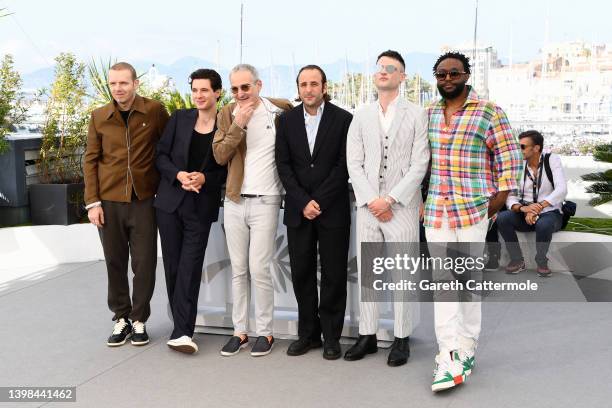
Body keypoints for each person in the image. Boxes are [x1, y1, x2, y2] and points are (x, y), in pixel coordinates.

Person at [425, 52, 522, 391]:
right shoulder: (430, 113)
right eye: (441, 74)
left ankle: (467, 345)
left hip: (472, 211)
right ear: (435, 78)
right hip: (437, 210)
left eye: (454, 73)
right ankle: (448, 353)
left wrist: (493, 205)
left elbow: (511, 162)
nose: (447, 79)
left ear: (466, 75)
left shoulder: (489, 112)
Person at [345, 50, 430, 367]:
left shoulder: (417, 114)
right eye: (379, 67)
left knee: (403, 274)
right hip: (368, 206)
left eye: (390, 67)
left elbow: (419, 163)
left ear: (402, 77)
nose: (383, 71)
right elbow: (353, 162)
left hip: (402, 207)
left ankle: (402, 338)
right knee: (368, 272)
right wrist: (371, 199)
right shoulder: (361, 114)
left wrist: (391, 199)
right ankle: (366, 335)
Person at [84, 62, 169, 347]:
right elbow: (90, 161)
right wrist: (92, 203)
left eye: (124, 83)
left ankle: (139, 319)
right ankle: (121, 318)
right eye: (113, 83)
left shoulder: (155, 111)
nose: (118, 88)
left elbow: (168, 149)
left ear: (135, 83)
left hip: (145, 201)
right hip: (108, 202)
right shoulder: (99, 117)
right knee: (115, 263)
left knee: (144, 264)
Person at [212, 64, 293, 357]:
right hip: (234, 200)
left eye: (245, 87)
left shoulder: (280, 111)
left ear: (258, 85)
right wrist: (238, 125)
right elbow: (220, 155)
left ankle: (266, 333)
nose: (240, 93)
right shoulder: (226, 114)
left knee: (259, 268)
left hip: (267, 199)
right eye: (234, 89)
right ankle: (240, 332)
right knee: (238, 269)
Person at [275, 65, 353, 360]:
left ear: (324, 87)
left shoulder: (344, 119)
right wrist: (302, 201)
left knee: (334, 275)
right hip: (298, 211)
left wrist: (318, 200)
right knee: (301, 273)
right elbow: (283, 165)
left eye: (314, 84)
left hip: (332, 210)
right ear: (298, 88)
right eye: (303, 84)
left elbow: (344, 164)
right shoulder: (286, 121)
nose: (308, 89)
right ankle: (308, 334)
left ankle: (332, 337)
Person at [154, 69, 227, 354]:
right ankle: (180, 328)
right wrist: (180, 175)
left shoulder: (225, 123)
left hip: (200, 205)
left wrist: (206, 178)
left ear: (217, 92)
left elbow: (227, 168)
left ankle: (183, 331)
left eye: (204, 90)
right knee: (173, 266)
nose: (198, 95)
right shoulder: (179, 118)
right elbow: (160, 156)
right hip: (170, 203)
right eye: (195, 90)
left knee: (190, 266)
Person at [497, 130, 568, 277]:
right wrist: (524, 208)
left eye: (522, 147)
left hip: (550, 212)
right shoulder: (518, 166)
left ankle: (541, 261)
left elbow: (562, 190)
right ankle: (517, 260)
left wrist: (538, 207)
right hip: (525, 212)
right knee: (502, 218)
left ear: (536, 148)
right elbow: (511, 195)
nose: (519, 150)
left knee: (544, 224)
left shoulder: (552, 160)